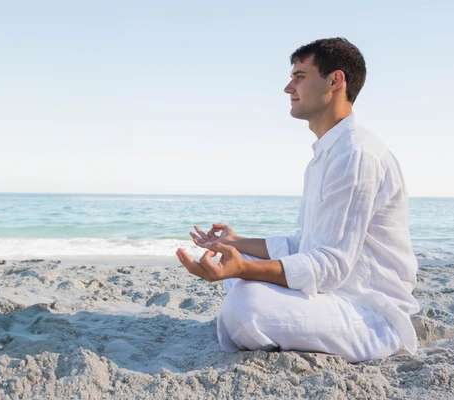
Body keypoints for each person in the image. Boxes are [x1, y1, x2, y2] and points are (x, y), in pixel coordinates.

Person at [175, 38, 420, 363]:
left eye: (300, 76)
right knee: (238, 280)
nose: (288, 87)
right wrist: (238, 243)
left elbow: (331, 266)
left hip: (367, 312)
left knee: (244, 304)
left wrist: (247, 267)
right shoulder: (325, 156)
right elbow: (303, 243)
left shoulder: (356, 155)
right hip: (330, 296)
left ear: (335, 81)